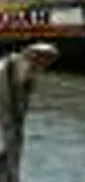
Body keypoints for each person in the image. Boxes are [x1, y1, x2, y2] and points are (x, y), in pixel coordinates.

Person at [0, 43, 59, 182]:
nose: (43, 66)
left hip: (12, 127)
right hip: (5, 126)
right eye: (43, 60)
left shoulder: (28, 72)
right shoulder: (8, 69)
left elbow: (20, 105)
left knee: (10, 161)